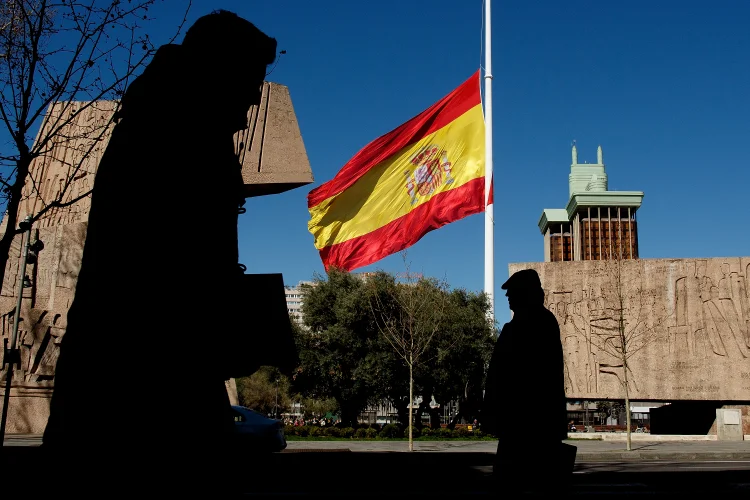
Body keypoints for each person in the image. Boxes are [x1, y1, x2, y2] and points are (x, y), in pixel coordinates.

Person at [41, 10, 277, 498]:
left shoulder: (167, 126)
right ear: (217, 72)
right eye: (250, 81)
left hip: (153, 376)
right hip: (143, 387)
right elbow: (167, 271)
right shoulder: (175, 138)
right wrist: (233, 316)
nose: (255, 98)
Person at [481, 269, 572, 495]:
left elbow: (515, 376)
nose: (507, 296)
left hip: (526, 423)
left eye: (512, 291)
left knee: (521, 484)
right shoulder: (533, 324)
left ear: (527, 293)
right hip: (523, 424)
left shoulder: (532, 326)